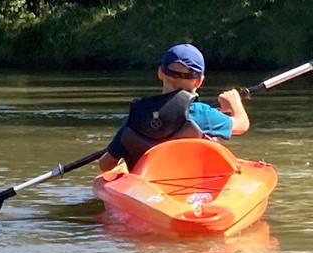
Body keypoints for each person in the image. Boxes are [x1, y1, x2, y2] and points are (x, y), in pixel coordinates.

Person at [98, 43, 250, 172]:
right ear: (199, 82)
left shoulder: (137, 115)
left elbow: (106, 165)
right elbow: (242, 124)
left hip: (149, 183)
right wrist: (234, 101)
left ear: (160, 73)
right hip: (188, 183)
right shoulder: (202, 114)